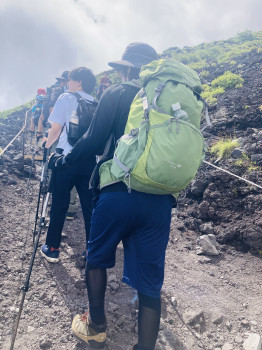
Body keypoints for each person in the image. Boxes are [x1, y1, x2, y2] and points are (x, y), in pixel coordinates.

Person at [49, 43, 173, 350]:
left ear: (128, 69)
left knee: (97, 259)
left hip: (118, 192)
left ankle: (97, 328)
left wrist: (64, 160)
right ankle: (145, 346)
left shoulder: (117, 93)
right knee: (150, 283)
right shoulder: (170, 99)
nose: (117, 73)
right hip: (159, 200)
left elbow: (93, 141)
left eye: (120, 68)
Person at [40, 67, 97, 263]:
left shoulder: (66, 97)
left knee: (59, 204)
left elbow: (55, 129)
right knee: (89, 207)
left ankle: (53, 248)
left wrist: (46, 145)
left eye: (71, 80)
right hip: (89, 162)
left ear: (79, 81)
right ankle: (92, 251)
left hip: (65, 159)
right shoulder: (96, 102)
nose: (67, 83)